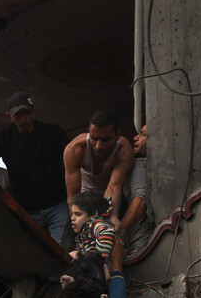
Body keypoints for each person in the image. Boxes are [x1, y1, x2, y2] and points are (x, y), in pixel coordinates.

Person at [0, 91, 71, 244]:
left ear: (34, 112)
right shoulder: (4, 137)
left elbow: (73, 158)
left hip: (57, 205)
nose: (23, 119)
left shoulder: (51, 132)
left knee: (63, 250)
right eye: (18, 115)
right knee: (29, 251)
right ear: (9, 116)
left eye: (26, 113)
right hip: (25, 209)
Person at [63, 110, 134, 217]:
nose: (98, 146)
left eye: (105, 140)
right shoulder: (74, 149)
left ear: (117, 135)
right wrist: (78, 224)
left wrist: (112, 218)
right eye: (94, 138)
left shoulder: (123, 150)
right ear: (89, 132)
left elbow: (114, 187)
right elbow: (73, 197)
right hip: (84, 198)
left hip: (112, 198)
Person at [120, 124, 154, 254]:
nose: (135, 137)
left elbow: (140, 202)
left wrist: (116, 234)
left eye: (143, 135)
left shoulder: (139, 164)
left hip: (139, 243)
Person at [70, 190, 116, 260]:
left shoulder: (93, 224)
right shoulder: (86, 232)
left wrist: (101, 261)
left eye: (78, 214)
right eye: (73, 214)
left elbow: (107, 231)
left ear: (94, 214)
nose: (72, 218)